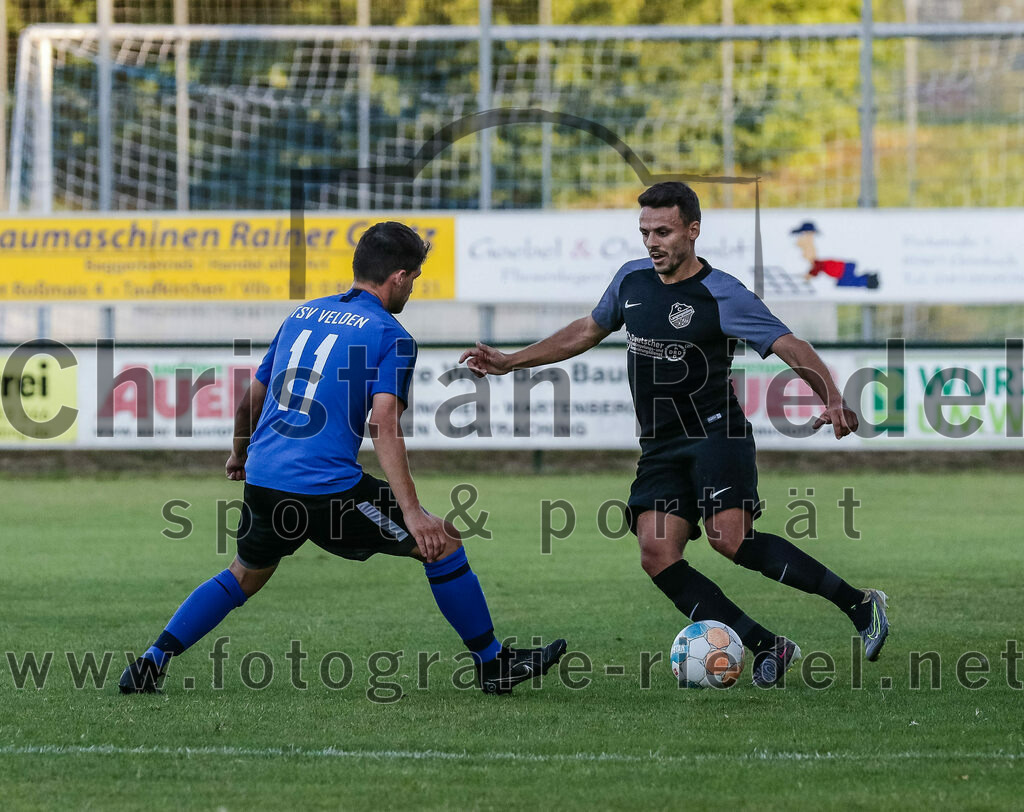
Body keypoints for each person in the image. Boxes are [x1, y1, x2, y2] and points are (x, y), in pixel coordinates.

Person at [460, 183, 888, 688]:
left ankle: (860, 604)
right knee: (657, 553)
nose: (652, 242)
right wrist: (511, 361)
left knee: (731, 540)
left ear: (692, 230)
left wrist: (832, 397)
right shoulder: (632, 280)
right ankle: (769, 645)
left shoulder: (722, 293)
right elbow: (586, 330)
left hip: (715, 432)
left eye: (662, 231)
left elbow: (790, 344)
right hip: (660, 443)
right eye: (645, 231)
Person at [121, 221, 565, 696]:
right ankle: (493, 663)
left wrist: (239, 453)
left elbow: (252, 397)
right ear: (398, 277)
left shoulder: (301, 316)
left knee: (243, 575)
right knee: (442, 542)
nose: (412, 289)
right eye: (413, 278)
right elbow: (383, 423)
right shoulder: (392, 336)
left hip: (265, 478)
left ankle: (151, 662)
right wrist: (413, 513)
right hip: (325, 489)